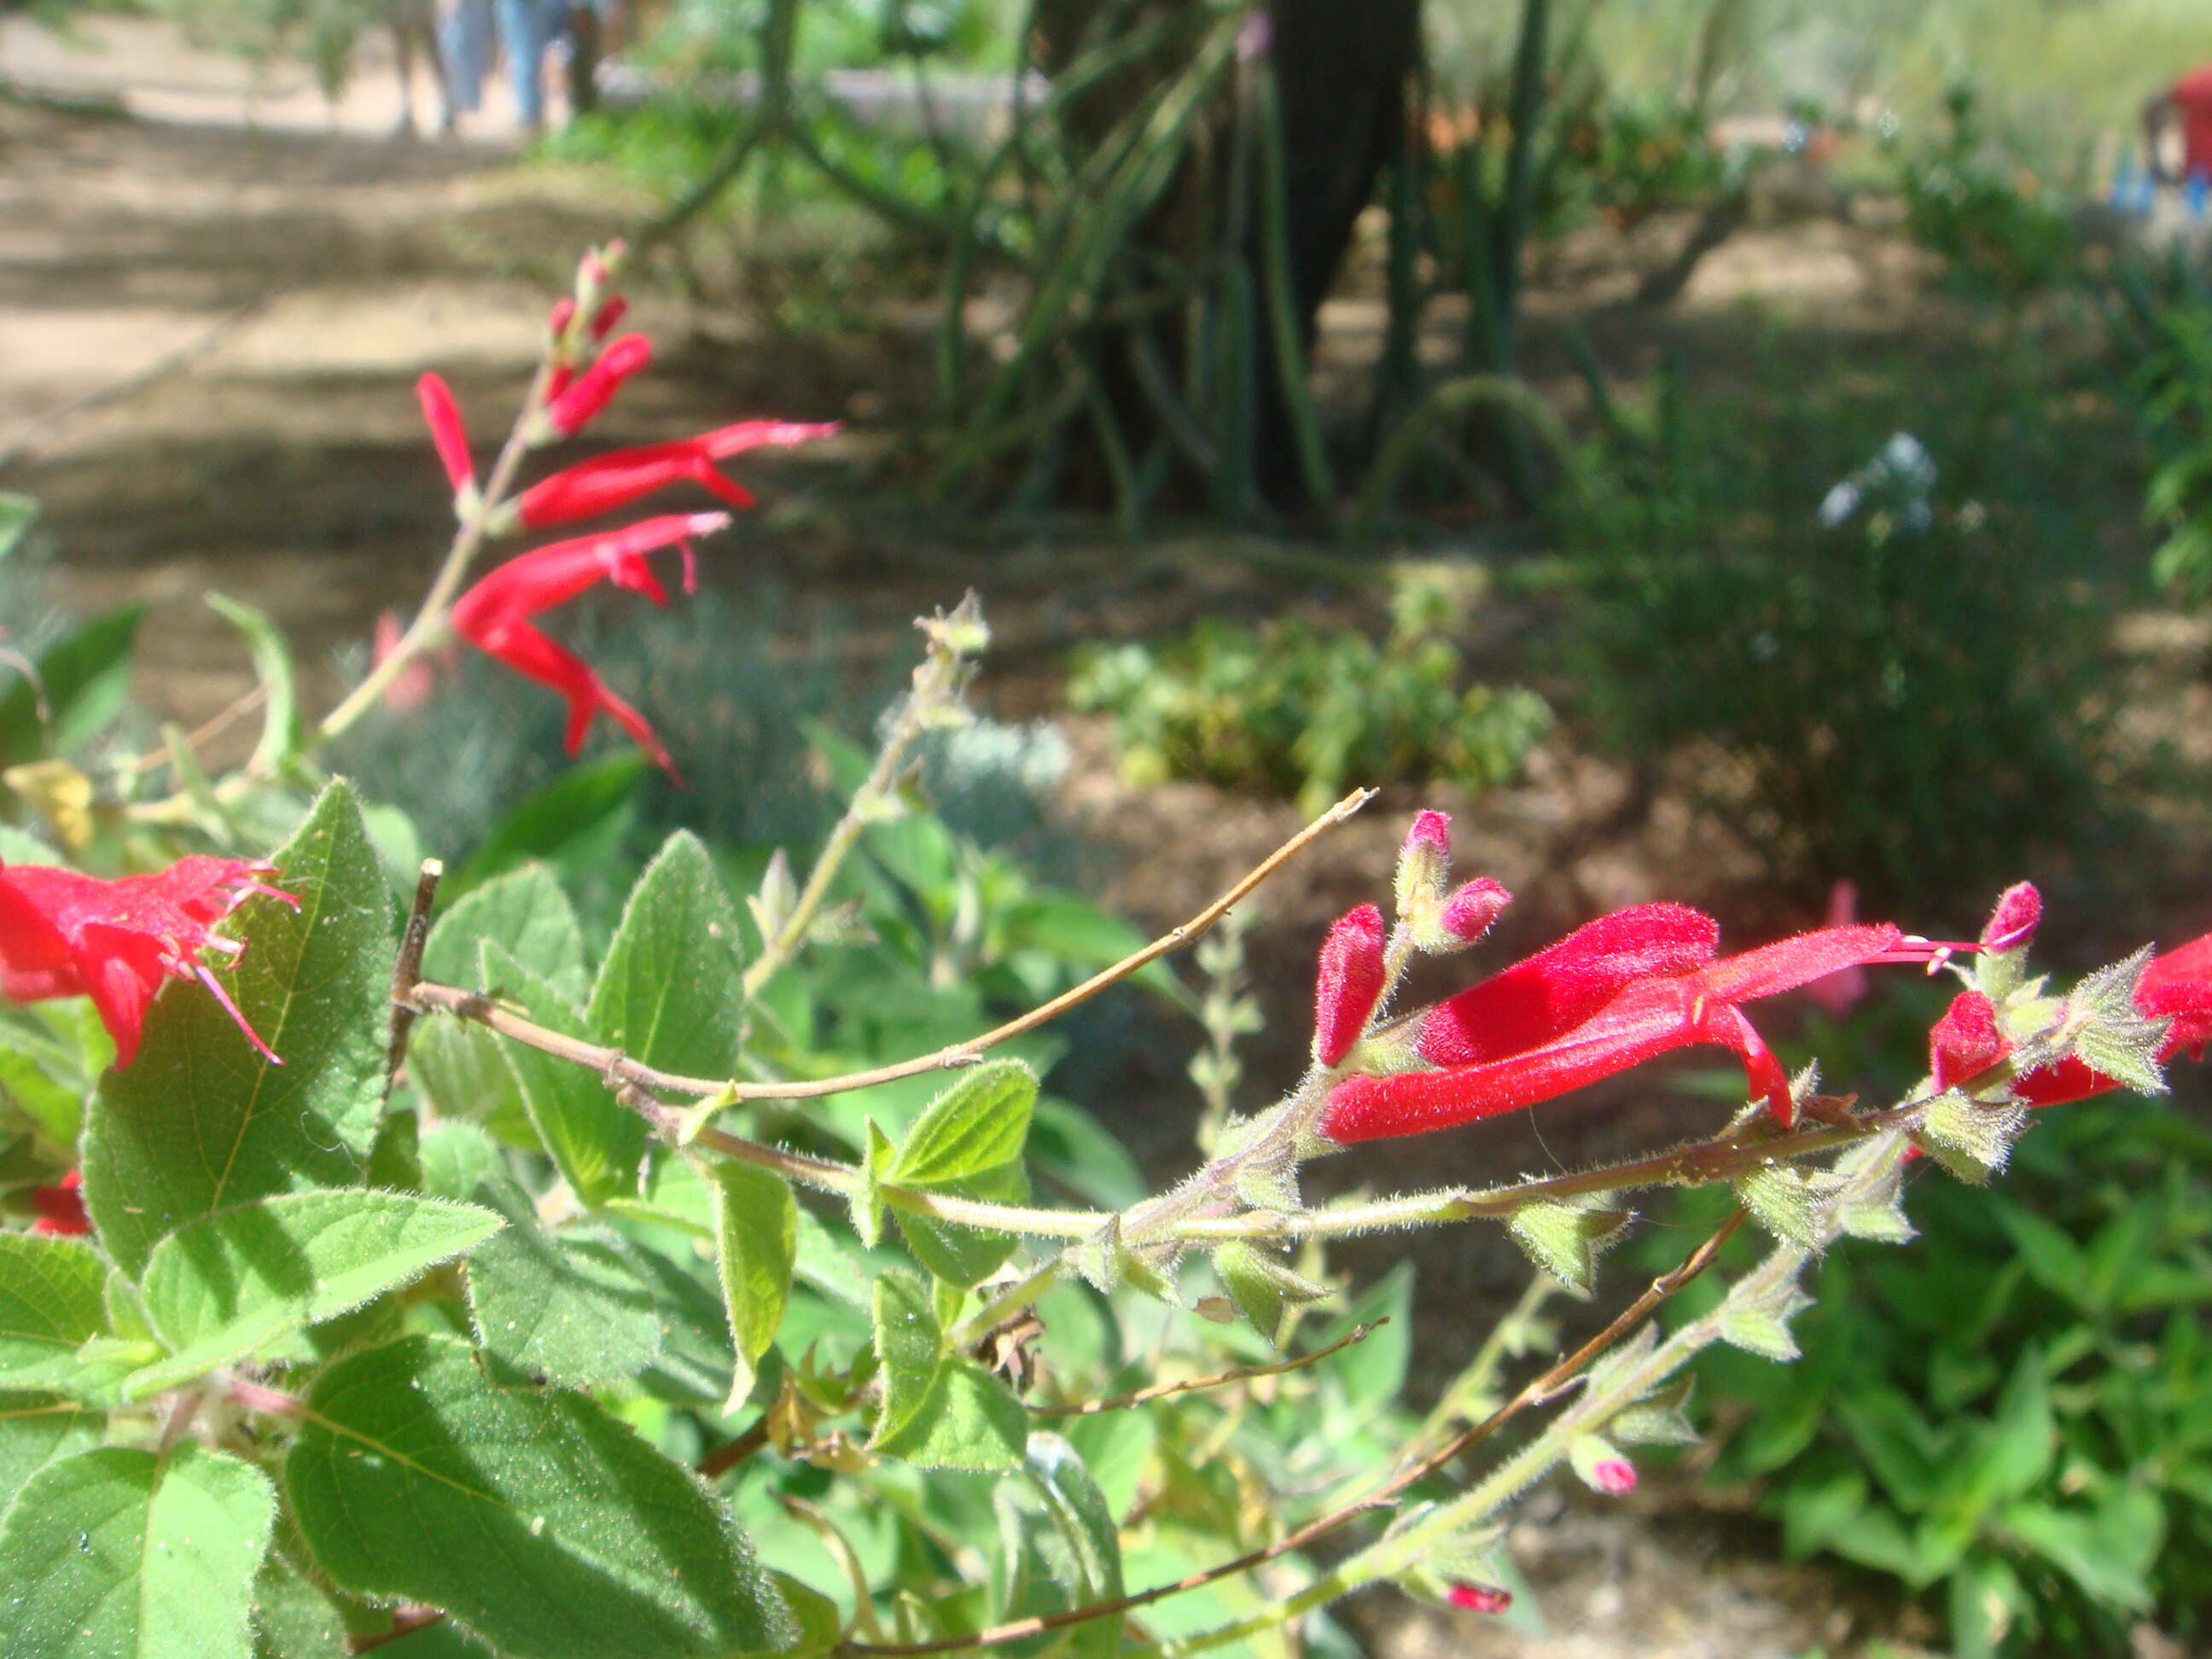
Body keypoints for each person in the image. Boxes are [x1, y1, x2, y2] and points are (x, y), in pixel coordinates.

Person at [2142, 64, 2212, 187]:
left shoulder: (2201, 83)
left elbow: (2153, 106)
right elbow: (2153, 106)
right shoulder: (2203, 84)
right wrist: (2155, 160)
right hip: (2198, 181)